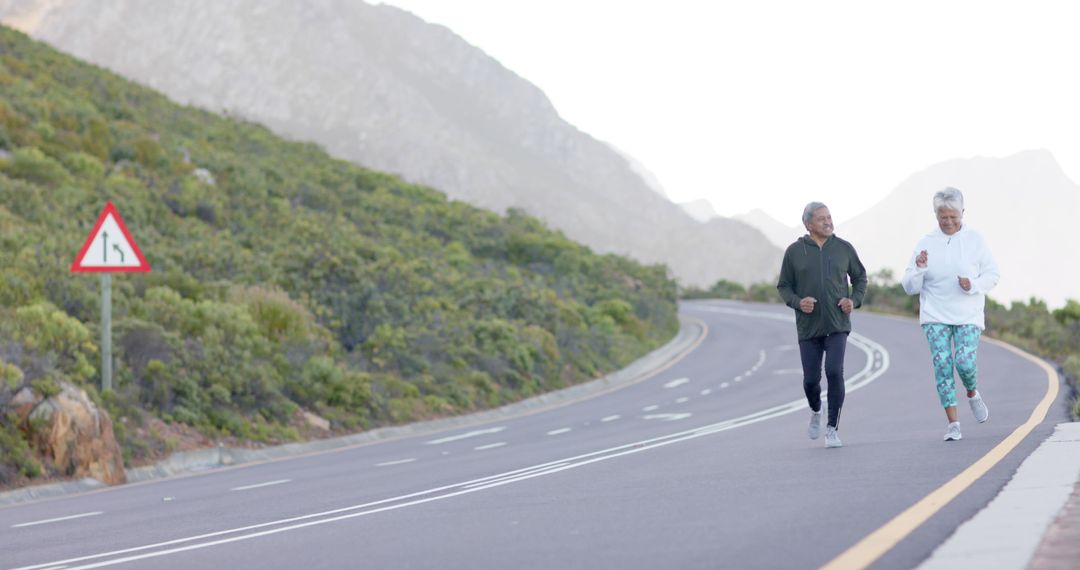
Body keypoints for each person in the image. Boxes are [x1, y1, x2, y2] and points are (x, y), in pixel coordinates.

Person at [901, 187, 999, 442]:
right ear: (936, 215)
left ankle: (972, 392)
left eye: (953, 216)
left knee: (964, 363)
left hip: (968, 314)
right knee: (943, 366)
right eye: (943, 217)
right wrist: (920, 269)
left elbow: (993, 274)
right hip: (935, 315)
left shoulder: (975, 240)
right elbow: (909, 286)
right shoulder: (925, 243)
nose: (948, 222)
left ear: (962, 212)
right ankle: (953, 424)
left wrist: (973, 285)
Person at [777, 202, 867, 448]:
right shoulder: (795, 252)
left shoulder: (843, 249)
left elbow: (860, 278)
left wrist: (854, 300)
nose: (828, 222)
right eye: (821, 219)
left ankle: (832, 429)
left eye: (829, 217)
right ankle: (816, 410)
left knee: (835, 372)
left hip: (838, 324)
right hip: (808, 328)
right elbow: (783, 286)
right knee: (810, 381)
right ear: (808, 225)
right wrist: (798, 302)